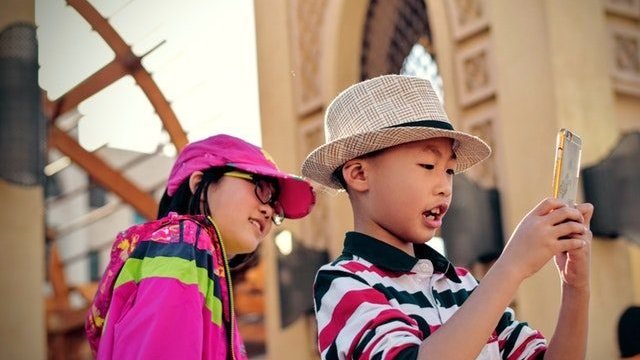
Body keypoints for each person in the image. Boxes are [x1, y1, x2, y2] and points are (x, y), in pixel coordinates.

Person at [301, 74, 593, 360]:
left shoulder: (463, 286)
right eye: (428, 165)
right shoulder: (343, 283)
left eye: (450, 171)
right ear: (359, 174)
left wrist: (575, 287)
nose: (444, 187)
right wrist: (512, 266)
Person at [85, 134, 316, 359]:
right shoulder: (183, 243)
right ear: (199, 184)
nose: (269, 210)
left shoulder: (189, 254)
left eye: (276, 205)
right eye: (261, 188)